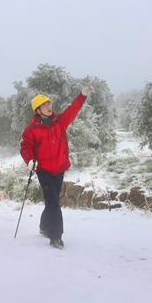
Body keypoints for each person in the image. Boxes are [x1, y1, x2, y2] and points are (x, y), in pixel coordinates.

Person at [20, 82, 94, 249]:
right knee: (53, 202)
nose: (49, 106)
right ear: (37, 110)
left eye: (49, 103)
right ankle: (55, 236)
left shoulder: (59, 121)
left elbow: (72, 110)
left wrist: (83, 94)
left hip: (59, 168)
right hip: (43, 170)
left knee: (52, 200)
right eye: (45, 104)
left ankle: (43, 226)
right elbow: (25, 146)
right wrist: (30, 160)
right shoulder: (32, 129)